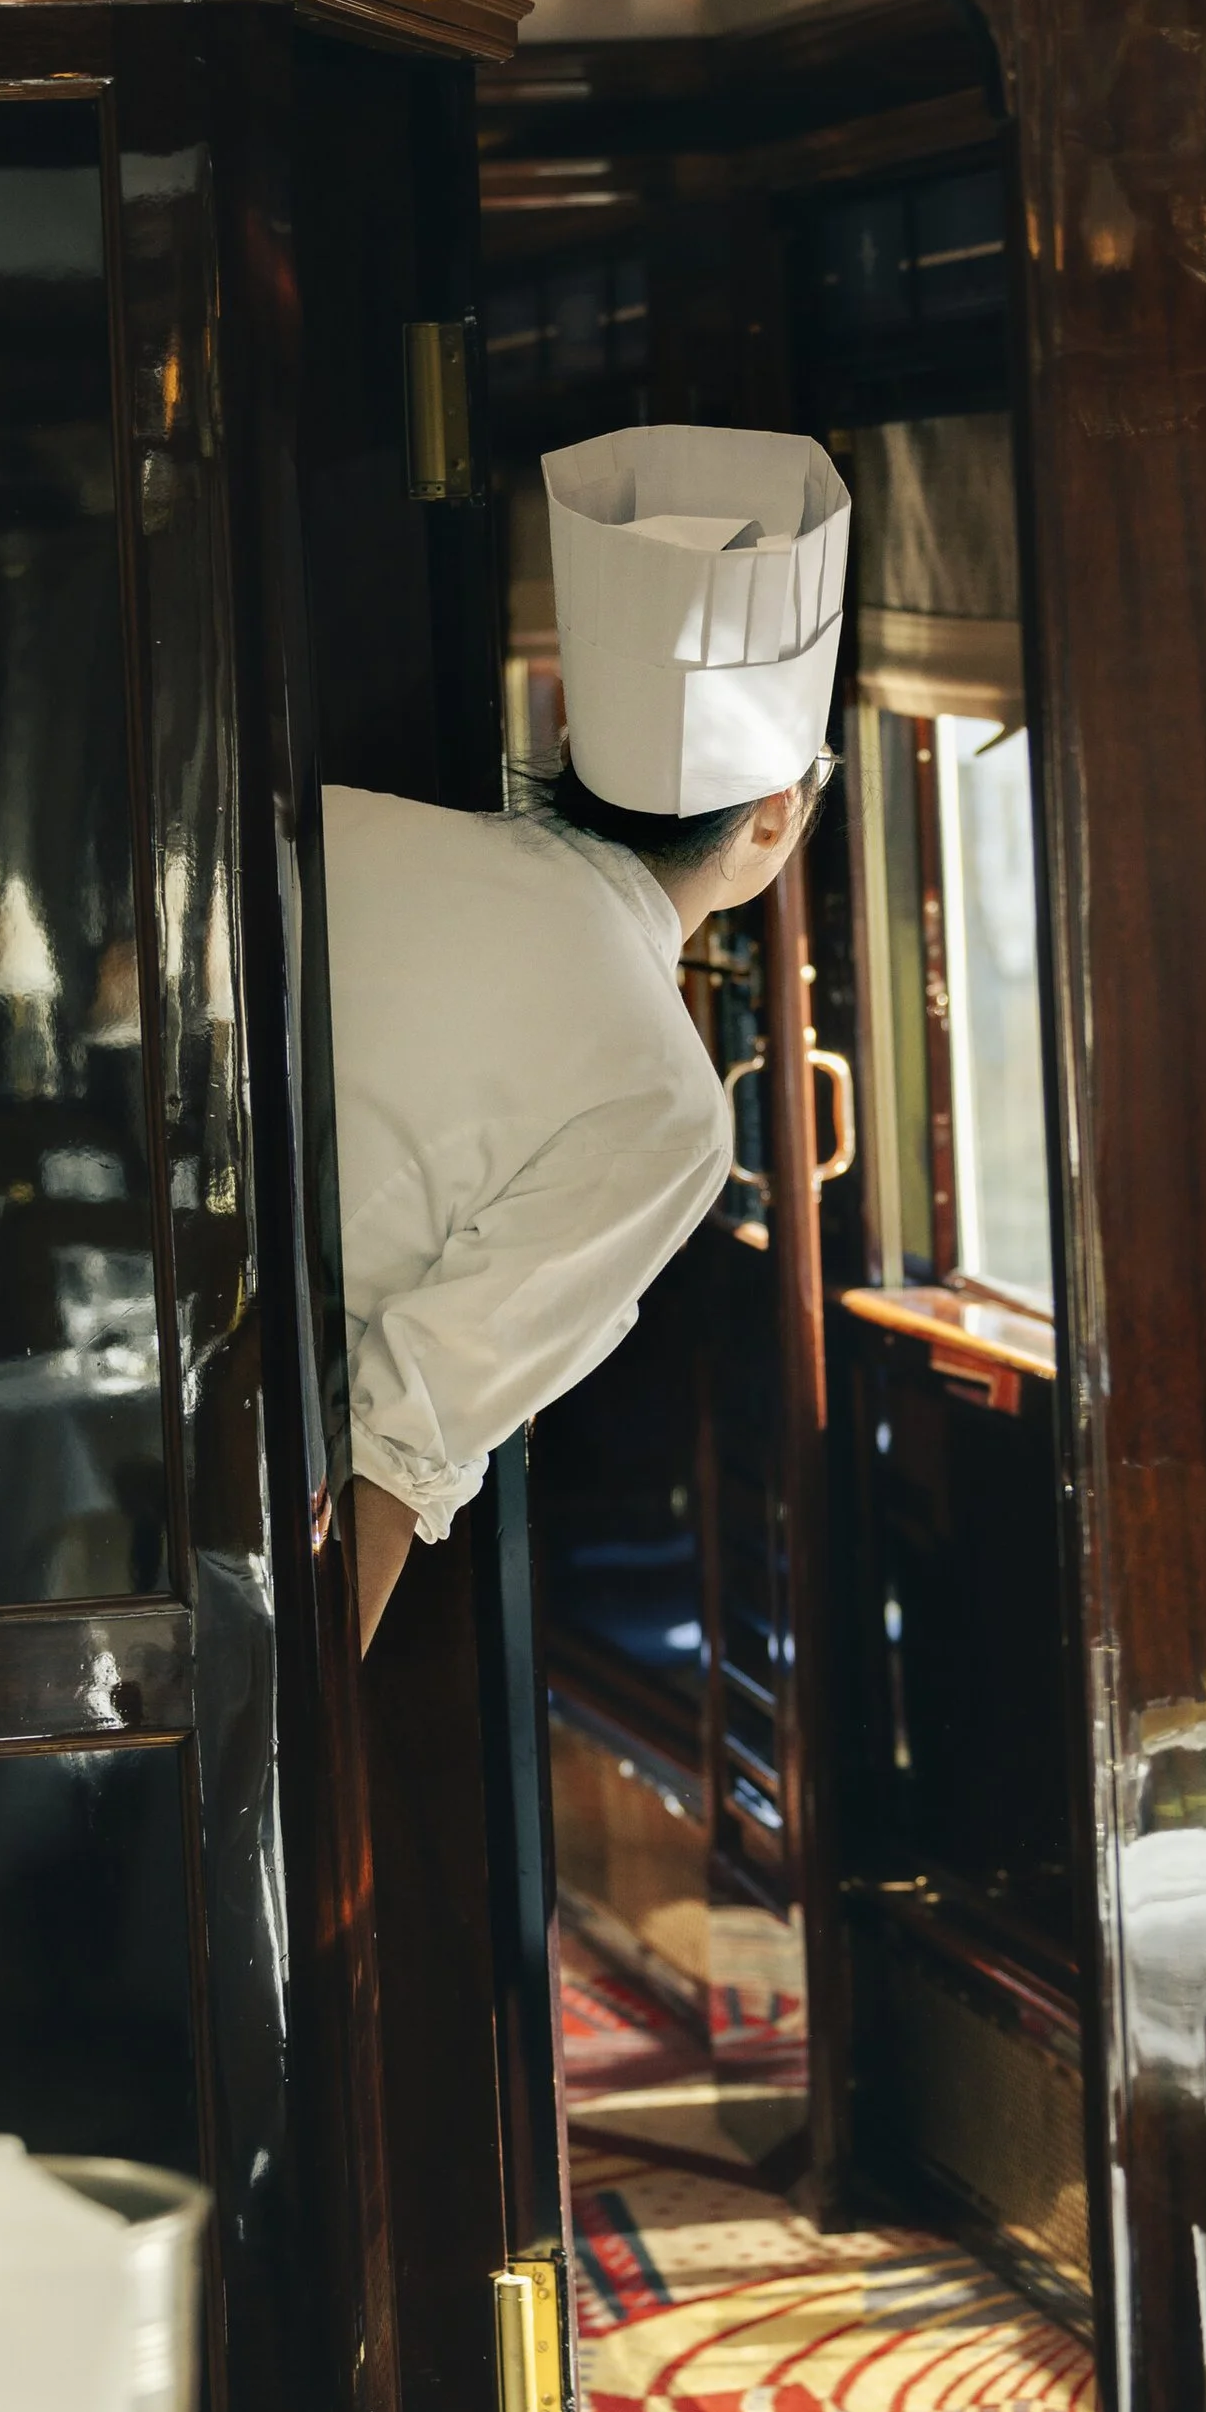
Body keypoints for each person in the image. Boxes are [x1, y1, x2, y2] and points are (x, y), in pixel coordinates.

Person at [323, 420, 849, 1650]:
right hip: (198, 1471)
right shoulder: (665, 1107)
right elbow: (397, 1450)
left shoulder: (343, 829)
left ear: (569, 738)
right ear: (775, 819)